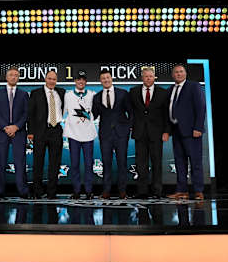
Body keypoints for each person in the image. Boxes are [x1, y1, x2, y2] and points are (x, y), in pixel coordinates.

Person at [129, 68, 170, 199]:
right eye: (146, 76)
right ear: (142, 77)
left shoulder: (163, 93)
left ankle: (157, 191)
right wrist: (130, 127)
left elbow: (167, 114)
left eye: (150, 76)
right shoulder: (133, 91)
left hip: (157, 133)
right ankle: (142, 191)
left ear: (154, 77)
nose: (148, 78)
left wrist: (166, 131)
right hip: (140, 133)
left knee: (157, 162)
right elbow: (131, 112)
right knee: (141, 164)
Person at [167, 64, 206, 200]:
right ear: (173, 75)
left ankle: (198, 191)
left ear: (185, 73)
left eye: (181, 71)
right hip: (176, 131)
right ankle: (181, 190)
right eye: (176, 72)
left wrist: (198, 128)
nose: (178, 74)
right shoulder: (171, 89)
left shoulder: (194, 86)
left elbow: (201, 107)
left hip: (192, 131)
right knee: (179, 162)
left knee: (195, 162)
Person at [92, 70, 133, 199]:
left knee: (122, 162)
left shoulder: (123, 93)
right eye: (103, 78)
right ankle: (106, 191)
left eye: (107, 77)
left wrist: (128, 127)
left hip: (121, 134)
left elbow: (131, 112)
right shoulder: (97, 97)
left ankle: (122, 191)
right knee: (106, 162)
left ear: (111, 78)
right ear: (100, 81)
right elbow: (94, 114)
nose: (106, 80)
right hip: (105, 135)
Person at [0, 67, 30, 198]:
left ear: (18, 78)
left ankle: (23, 190)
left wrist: (16, 127)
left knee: (20, 162)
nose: (14, 77)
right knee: (0, 161)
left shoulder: (24, 94)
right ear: (6, 77)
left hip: (18, 132)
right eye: (11, 75)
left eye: (16, 75)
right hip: (2, 132)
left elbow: (26, 113)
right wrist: (6, 127)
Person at [27, 71, 66, 199]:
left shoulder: (62, 92)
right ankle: (37, 191)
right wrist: (31, 132)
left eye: (54, 79)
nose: (51, 81)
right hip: (40, 131)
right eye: (49, 78)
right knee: (38, 162)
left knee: (55, 164)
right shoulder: (36, 93)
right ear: (45, 79)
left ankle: (51, 192)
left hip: (56, 130)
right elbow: (30, 114)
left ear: (56, 80)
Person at [62, 70, 97, 200]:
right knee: (75, 164)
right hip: (73, 134)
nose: (80, 81)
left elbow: (97, 112)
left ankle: (89, 191)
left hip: (88, 134)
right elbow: (62, 112)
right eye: (78, 79)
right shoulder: (68, 95)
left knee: (89, 164)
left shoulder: (93, 95)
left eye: (83, 79)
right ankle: (76, 191)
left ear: (86, 81)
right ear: (75, 81)